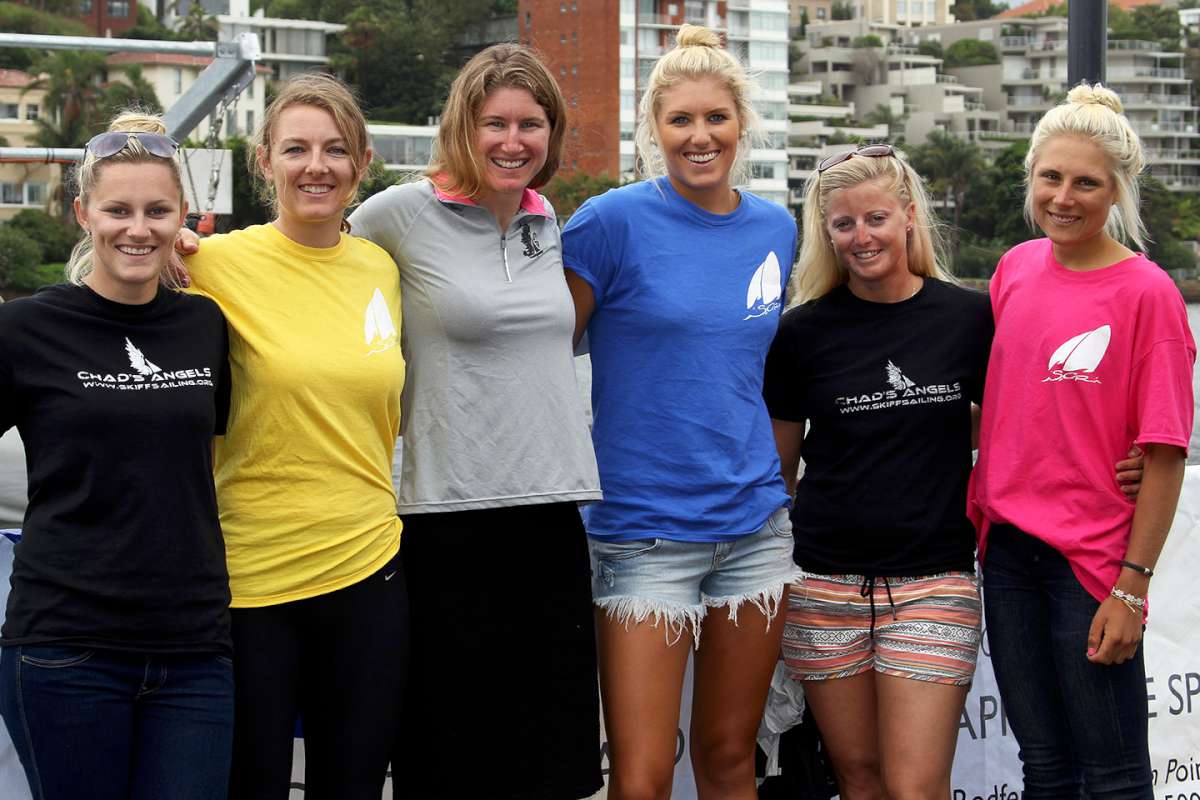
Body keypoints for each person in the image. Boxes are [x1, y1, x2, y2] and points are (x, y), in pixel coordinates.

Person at [347, 44, 603, 799]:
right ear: (464, 125)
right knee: (447, 757)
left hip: (551, 511)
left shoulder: (545, 219)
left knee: (549, 760)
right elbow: (310, 260)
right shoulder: (397, 213)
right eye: (496, 123)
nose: (514, 142)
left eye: (532, 124)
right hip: (442, 516)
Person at [561, 25, 800, 800]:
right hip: (641, 534)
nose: (701, 137)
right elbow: (530, 350)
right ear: (653, 132)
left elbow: (771, 372)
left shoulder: (777, 228)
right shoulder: (608, 223)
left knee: (732, 760)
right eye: (681, 122)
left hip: (756, 533)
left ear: (742, 125)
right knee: (642, 775)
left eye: (716, 119)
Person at [183, 73, 408, 799]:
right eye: (297, 149)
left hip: (369, 568)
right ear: (265, 161)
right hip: (252, 581)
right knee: (251, 785)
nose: (317, 166)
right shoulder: (210, 264)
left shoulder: (382, 268)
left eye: (336, 150)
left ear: (362, 165)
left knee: (353, 784)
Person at [0, 113, 234, 800]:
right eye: (118, 210)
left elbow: (208, 462)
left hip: (194, 648)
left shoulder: (206, 324)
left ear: (181, 215)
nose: (138, 228)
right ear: (83, 213)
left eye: (158, 210)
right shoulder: (26, 329)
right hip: (64, 647)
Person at [971, 84, 1195, 799]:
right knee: (1045, 767)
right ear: (1032, 177)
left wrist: (1131, 587)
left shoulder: (1147, 292)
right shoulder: (1014, 269)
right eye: (1051, 178)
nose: (1065, 197)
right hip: (1006, 554)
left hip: (1094, 564)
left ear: (1118, 190)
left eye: (1087, 183)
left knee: (1115, 775)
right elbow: (1009, 404)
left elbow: (1165, 452)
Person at [763, 144, 989, 800]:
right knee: (860, 779)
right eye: (843, 224)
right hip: (824, 586)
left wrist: (1125, 464)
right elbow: (780, 470)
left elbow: (1013, 428)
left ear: (909, 217)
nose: (861, 237)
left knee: (916, 785)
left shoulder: (968, 318)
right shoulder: (799, 334)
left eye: (877, 219)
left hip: (933, 583)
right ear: (825, 233)